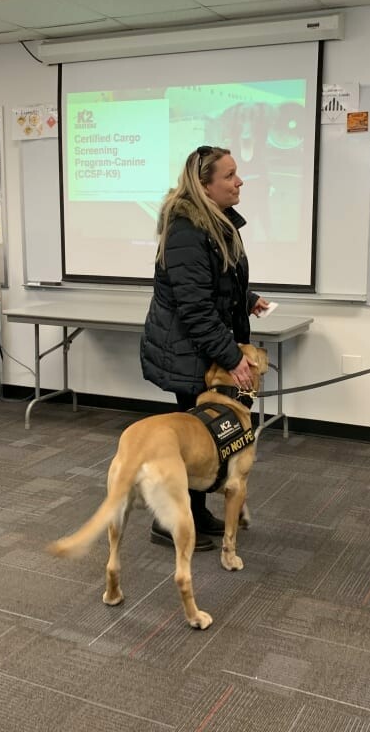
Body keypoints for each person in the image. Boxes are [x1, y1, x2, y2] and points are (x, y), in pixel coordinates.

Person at [141, 145, 270, 551]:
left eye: (237, 173)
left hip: (202, 349)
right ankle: (168, 522)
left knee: (207, 439)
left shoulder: (214, 222)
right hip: (188, 350)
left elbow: (218, 280)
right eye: (229, 175)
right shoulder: (186, 229)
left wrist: (247, 300)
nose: (239, 181)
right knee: (191, 441)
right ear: (204, 185)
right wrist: (233, 358)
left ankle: (194, 513)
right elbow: (194, 305)